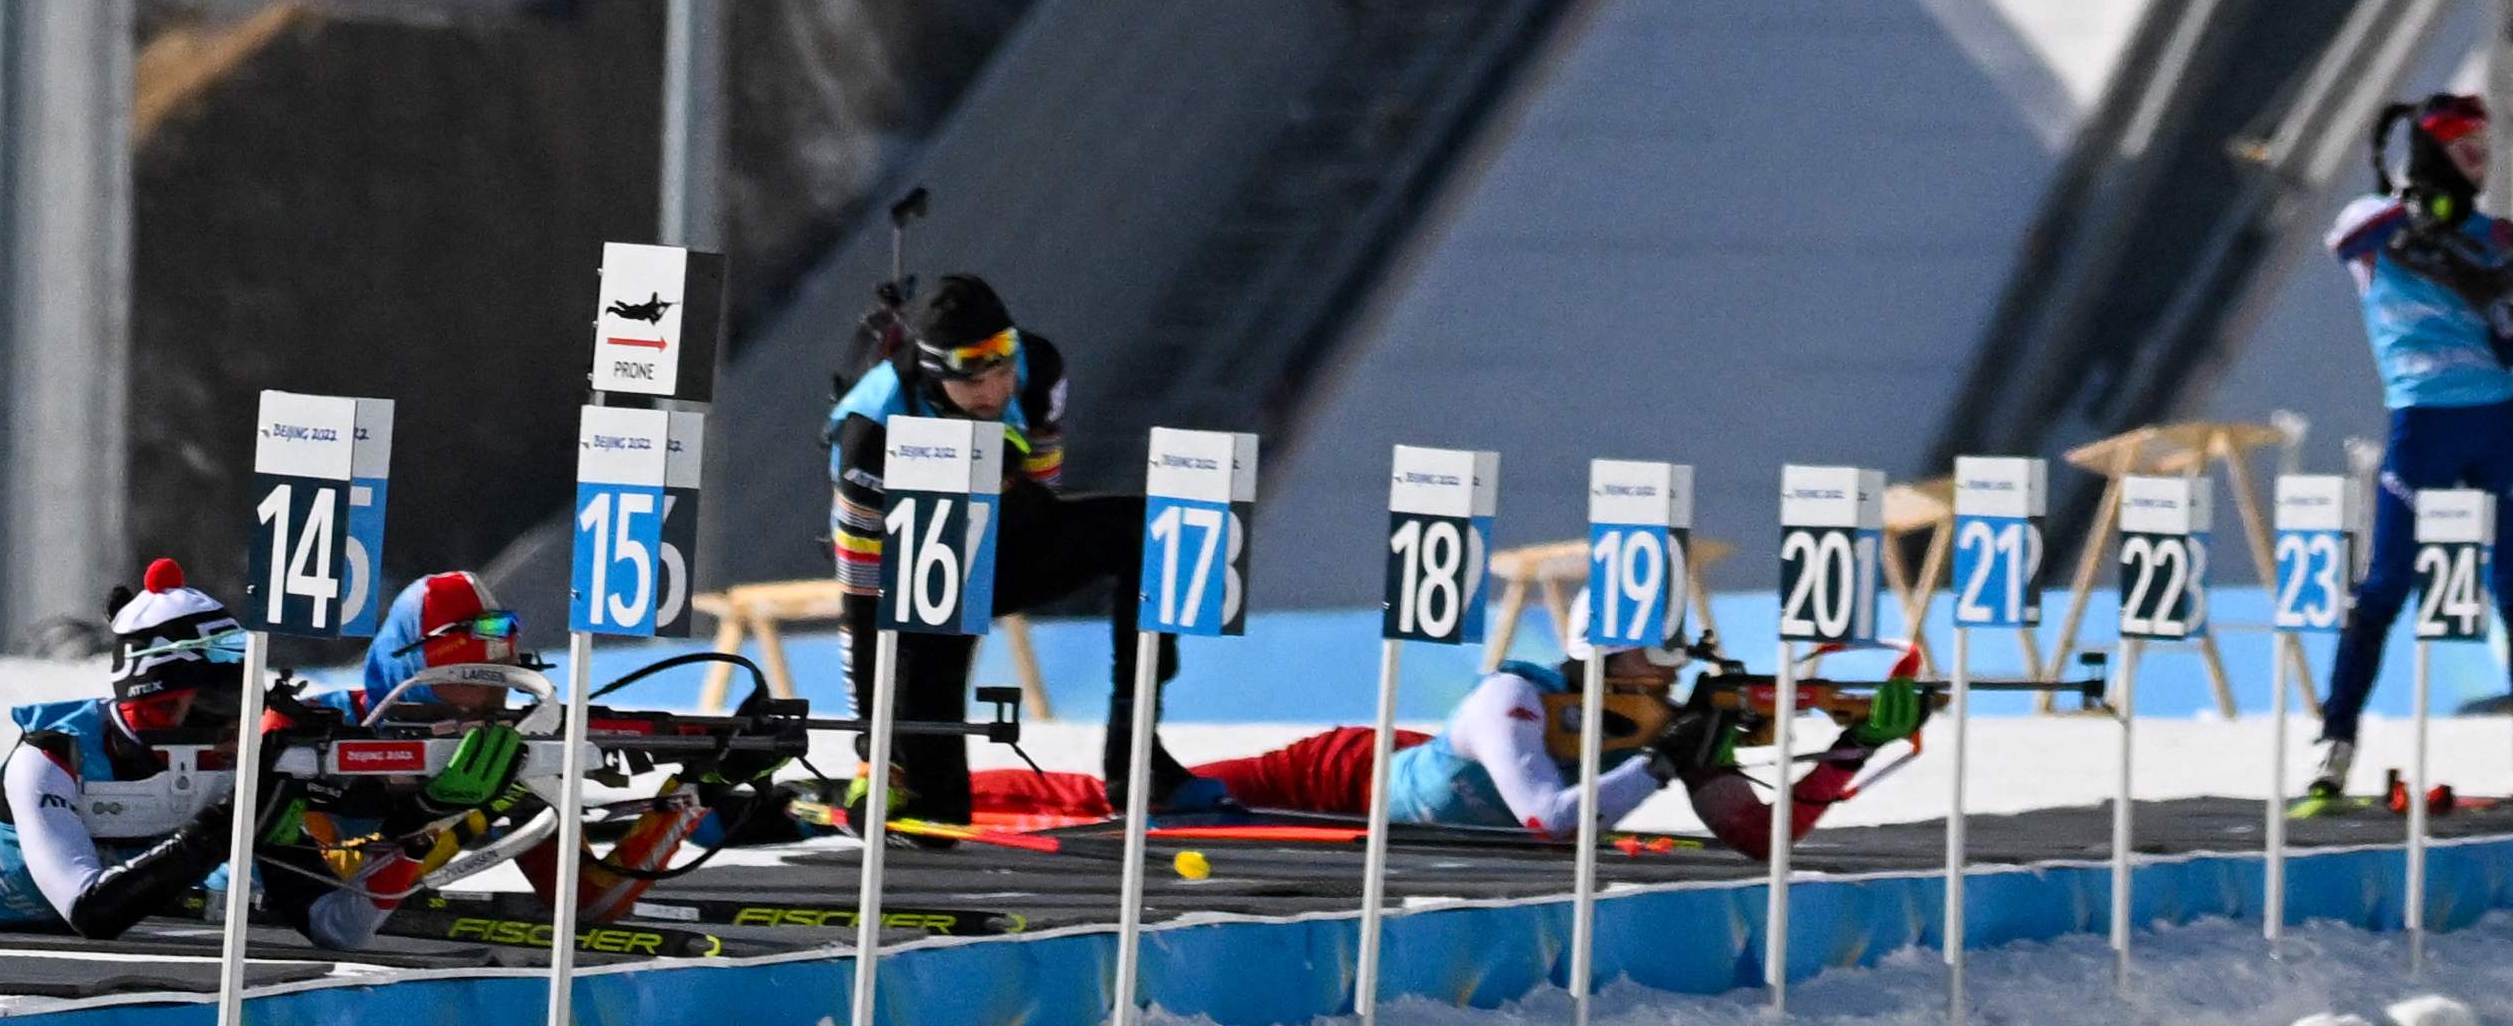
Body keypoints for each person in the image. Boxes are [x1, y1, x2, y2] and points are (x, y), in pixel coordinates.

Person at [2302, 92, 2513, 810]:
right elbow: (2347, 242)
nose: (2479, 160)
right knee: (2384, 585)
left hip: (2498, 423)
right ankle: (2335, 747)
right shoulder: (2376, 220)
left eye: (2485, 147)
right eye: (2464, 148)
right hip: (2421, 422)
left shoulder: (2489, 233)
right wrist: (2422, 208)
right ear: (2430, 154)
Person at [823, 264, 1123, 834]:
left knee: (1149, 534)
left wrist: (1002, 484)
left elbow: (1045, 501)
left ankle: (1138, 764)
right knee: (936, 798)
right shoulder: (870, 436)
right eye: (972, 382)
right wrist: (873, 746)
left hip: (998, 527)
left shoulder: (1038, 369)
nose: (992, 390)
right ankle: (907, 776)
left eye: (1001, 371)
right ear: (937, 378)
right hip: (907, 566)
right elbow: (859, 601)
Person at [1177, 641, 1930, 853]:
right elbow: (1549, 819)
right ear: (1600, 656)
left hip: (1429, 813)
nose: (1674, 675)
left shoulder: (1670, 727)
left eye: (1679, 657)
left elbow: (1763, 837)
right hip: (1344, 778)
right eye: (1658, 656)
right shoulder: (1514, 698)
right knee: (1148, 795)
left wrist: (1853, 748)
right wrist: (1662, 762)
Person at [0, 564, 292, 937]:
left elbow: (336, 924)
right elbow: (91, 911)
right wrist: (217, 834)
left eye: (253, 703)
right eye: (225, 703)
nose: (241, 725)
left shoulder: (229, 751)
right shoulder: (50, 755)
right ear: (157, 703)